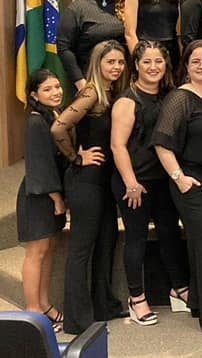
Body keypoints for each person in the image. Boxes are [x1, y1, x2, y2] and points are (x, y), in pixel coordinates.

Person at [152, 40, 202, 334]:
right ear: (186, 65)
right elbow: (162, 143)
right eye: (196, 61)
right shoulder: (179, 98)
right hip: (192, 182)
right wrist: (179, 178)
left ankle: (198, 302)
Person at [109, 40, 189, 326]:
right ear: (137, 65)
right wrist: (131, 182)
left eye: (158, 61)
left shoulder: (170, 96)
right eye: (147, 62)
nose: (153, 67)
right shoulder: (127, 101)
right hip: (135, 183)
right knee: (137, 238)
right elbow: (117, 146)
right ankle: (137, 298)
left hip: (163, 180)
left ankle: (179, 288)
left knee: (170, 233)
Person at [51, 40, 128, 334]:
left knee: (106, 241)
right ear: (98, 63)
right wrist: (75, 157)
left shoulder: (111, 91)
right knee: (81, 249)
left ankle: (102, 305)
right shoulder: (90, 92)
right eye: (110, 62)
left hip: (105, 182)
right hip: (86, 182)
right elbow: (59, 127)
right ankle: (77, 319)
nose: (116, 67)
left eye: (120, 62)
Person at [17, 69, 67, 333]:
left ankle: (45, 305)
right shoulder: (36, 122)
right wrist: (57, 198)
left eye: (57, 87)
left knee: (48, 250)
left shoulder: (54, 115)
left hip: (50, 194)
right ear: (34, 95)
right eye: (47, 89)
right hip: (39, 196)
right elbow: (40, 165)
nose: (55, 92)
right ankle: (33, 310)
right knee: (36, 252)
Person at [58, 0, 126, 91]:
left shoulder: (127, 7)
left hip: (121, 81)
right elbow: (63, 47)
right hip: (88, 82)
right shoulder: (78, 8)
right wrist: (80, 82)